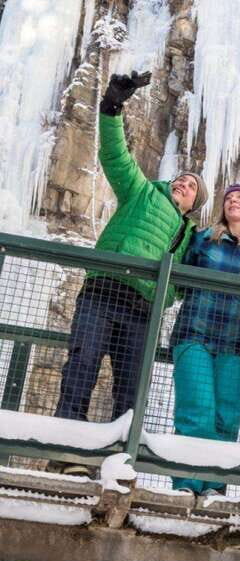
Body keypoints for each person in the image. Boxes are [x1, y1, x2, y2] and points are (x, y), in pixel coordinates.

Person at [52, 71, 208, 477]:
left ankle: (117, 461)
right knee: (81, 364)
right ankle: (68, 450)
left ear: (195, 204)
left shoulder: (189, 235)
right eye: (181, 178)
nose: (183, 183)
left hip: (142, 309)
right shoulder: (142, 192)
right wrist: (112, 106)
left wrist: (167, 296)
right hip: (102, 291)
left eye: (191, 186)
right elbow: (116, 157)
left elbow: (188, 279)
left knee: (130, 385)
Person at [170, 184, 240, 497]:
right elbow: (180, 275)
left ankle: (214, 486)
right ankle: (187, 483)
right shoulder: (204, 238)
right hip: (195, 331)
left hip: (234, 340)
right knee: (196, 407)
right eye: (228, 197)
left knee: (227, 415)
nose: (233, 200)